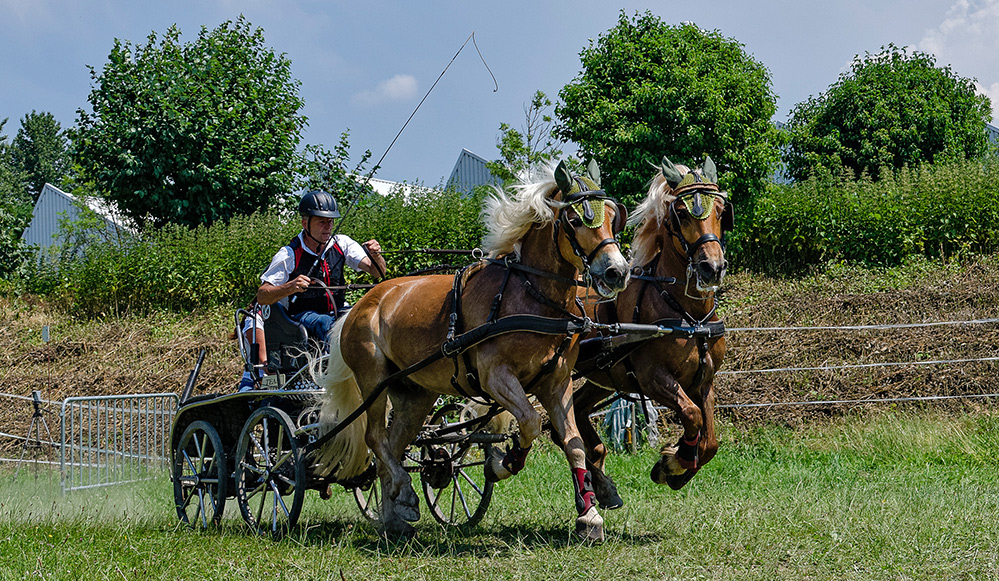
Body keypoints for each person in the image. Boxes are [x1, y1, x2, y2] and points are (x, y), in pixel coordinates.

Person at [238, 190, 386, 390]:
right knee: (327, 323)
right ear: (305, 223)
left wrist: (376, 256)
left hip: (337, 309)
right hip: (302, 315)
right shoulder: (289, 254)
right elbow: (263, 296)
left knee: (365, 318)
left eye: (331, 222)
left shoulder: (342, 243)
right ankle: (332, 377)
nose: (328, 227)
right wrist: (290, 286)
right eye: (322, 222)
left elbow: (377, 272)